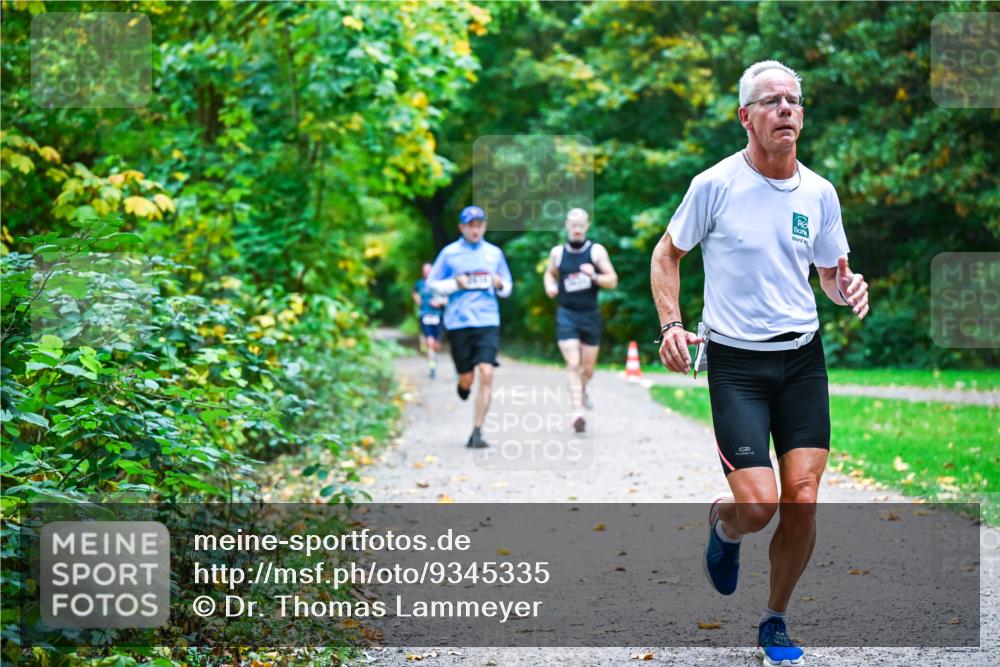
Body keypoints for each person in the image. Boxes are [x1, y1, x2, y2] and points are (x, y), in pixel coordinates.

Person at [649, 60, 870, 667]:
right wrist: (671, 324)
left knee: (802, 495)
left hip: (802, 360)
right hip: (737, 366)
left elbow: (830, 272)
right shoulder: (715, 184)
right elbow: (666, 255)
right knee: (759, 505)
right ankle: (723, 527)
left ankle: (774, 620)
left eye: (793, 101)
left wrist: (846, 288)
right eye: (771, 101)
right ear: (745, 116)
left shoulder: (819, 193)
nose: (786, 110)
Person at [427, 205, 513, 449]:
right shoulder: (449, 253)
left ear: (485, 226)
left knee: (487, 371)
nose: (475, 230)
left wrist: (498, 284)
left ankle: (477, 431)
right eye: (470, 225)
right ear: (462, 227)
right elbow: (432, 284)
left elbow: (508, 287)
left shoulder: (494, 253)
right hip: (459, 322)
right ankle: (463, 384)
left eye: (479, 225)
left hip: (487, 320)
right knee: (468, 377)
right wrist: (456, 283)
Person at [543, 208, 618, 433]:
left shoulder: (596, 252)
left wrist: (593, 275)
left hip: (590, 315)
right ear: (567, 225)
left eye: (581, 224)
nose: (576, 228)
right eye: (573, 224)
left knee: (588, 369)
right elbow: (549, 273)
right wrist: (549, 286)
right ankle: (577, 411)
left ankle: (583, 390)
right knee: (573, 364)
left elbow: (612, 280)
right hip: (566, 314)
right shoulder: (557, 253)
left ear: (587, 226)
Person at [412, 263, 447, 378]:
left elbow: (447, 299)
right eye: (425, 271)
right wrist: (417, 299)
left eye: (429, 271)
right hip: (425, 315)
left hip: (437, 315)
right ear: (423, 272)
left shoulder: (439, 284)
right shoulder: (419, 284)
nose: (427, 273)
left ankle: (434, 358)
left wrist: (439, 302)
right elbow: (414, 292)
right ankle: (432, 368)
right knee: (430, 342)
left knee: (436, 344)